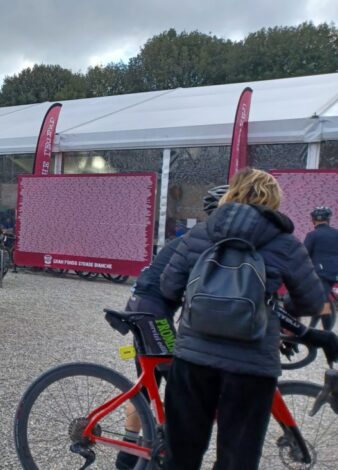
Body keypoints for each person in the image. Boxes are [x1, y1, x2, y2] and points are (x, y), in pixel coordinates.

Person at [160, 168, 324, 469]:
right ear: (274, 199)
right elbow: (313, 301)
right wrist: (273, 308)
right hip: (252, 365)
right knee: (238, 459)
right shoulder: (286, 244)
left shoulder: (200, 233)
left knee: (180, 454)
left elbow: (169, 287)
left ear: (231, 193)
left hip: (193, 359)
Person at [114, 185, 228, 469]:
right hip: (153, 313)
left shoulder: (197, 236)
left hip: (141, 307)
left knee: (147, 384)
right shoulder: (211, 241)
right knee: (182, 384)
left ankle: (129, 457)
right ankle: (152, 450)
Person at [304, 206, 338, 325]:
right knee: (322, 301)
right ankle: (312, 328)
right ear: (329, 220)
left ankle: (327, 337)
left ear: (313, 220)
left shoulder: (312, 235)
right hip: (334, 274)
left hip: (320, 273)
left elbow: (304, 255)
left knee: (323, 304)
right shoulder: (336, 234)